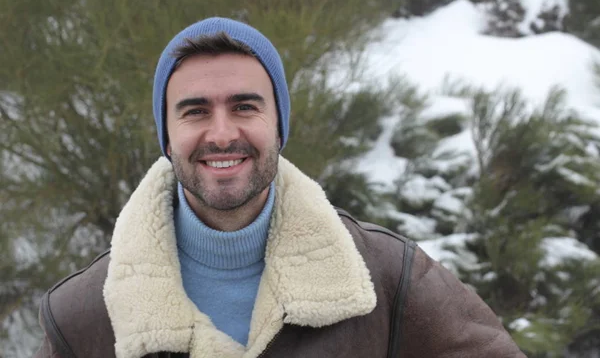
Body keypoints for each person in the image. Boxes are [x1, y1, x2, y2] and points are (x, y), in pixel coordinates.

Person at [35, 18, 526, 358]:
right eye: (195, 110)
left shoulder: (388, 278)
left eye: (245, 107)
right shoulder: (82, 315)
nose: (222, 133)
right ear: (166, 135)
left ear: (280, 126)